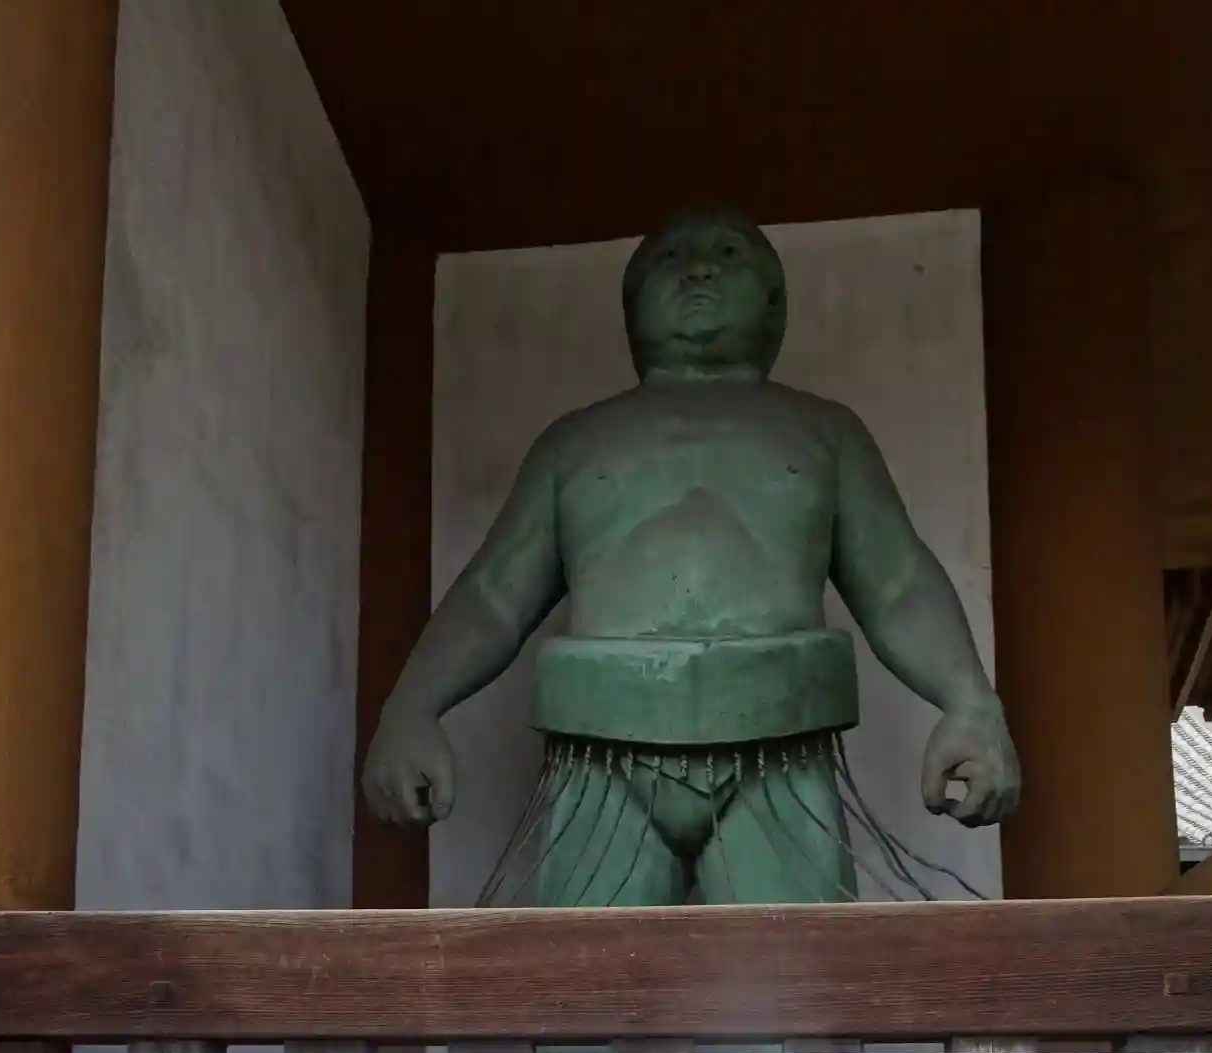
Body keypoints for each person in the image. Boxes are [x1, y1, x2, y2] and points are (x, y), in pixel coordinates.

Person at [363, 208, 1019, 905]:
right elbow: (493, 595)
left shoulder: (824, 433)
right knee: (591, 970)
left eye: (730, 254)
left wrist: (971, 701)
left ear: (775, 304)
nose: (700, 269)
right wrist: (412, 707)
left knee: (798, 970)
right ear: (631, 304)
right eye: (670, 258)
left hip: (780, 749)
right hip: (601, 754)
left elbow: (897, 583)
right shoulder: (574, 443)